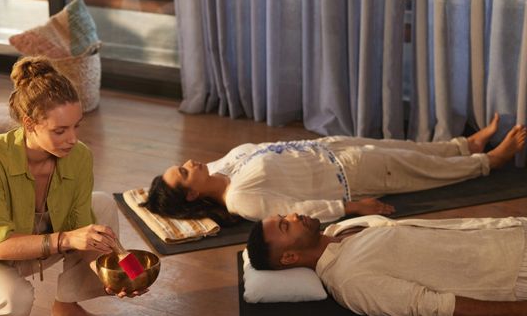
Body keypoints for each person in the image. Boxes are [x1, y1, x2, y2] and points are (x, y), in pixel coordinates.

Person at [0, 56, 145, 316]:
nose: (72, 139)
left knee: (103, 207)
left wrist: (119, 276)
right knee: (13, 300)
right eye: (60, 131)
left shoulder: (80, 156)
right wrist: (71, 237)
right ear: (29, 124)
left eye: (76, 126)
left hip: (34, 244)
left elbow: (81, 231)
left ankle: (66, 307)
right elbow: (1, 247)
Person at [141, 116, 527, 224]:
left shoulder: (220, 167)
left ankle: (466, 145)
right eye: (184, 172)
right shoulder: (241, 200)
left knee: (406, 147)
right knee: (417, 167)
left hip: (328, 149)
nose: (190, 163)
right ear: (193, 193)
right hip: (347, 177)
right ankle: (487, 163)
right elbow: (299, 210)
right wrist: (353, 208)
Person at [246, 212, 527, 316]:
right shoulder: (350, 281)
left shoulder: (339, 228)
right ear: (289, 258)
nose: (294, 215)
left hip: (507, 228)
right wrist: (516, 312)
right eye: (285, 225)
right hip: (512, 267)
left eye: (285, 215)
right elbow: (432, 306)